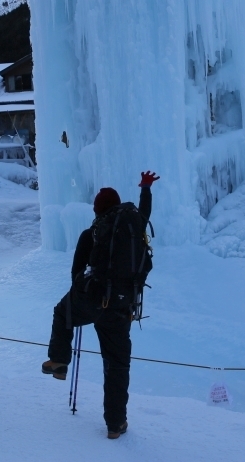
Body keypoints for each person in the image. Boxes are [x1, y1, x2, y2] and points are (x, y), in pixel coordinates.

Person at [42, 170, 159, 439]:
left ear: (97, 210)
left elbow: (75, 274)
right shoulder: (135, 225)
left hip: (93, 300)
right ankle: (116, 425)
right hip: (123, 307)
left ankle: (59, 361)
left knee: (62, 312)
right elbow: (145, 212)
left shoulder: (92, 232)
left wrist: (81, 296)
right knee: (117, 365)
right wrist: (145, 187)